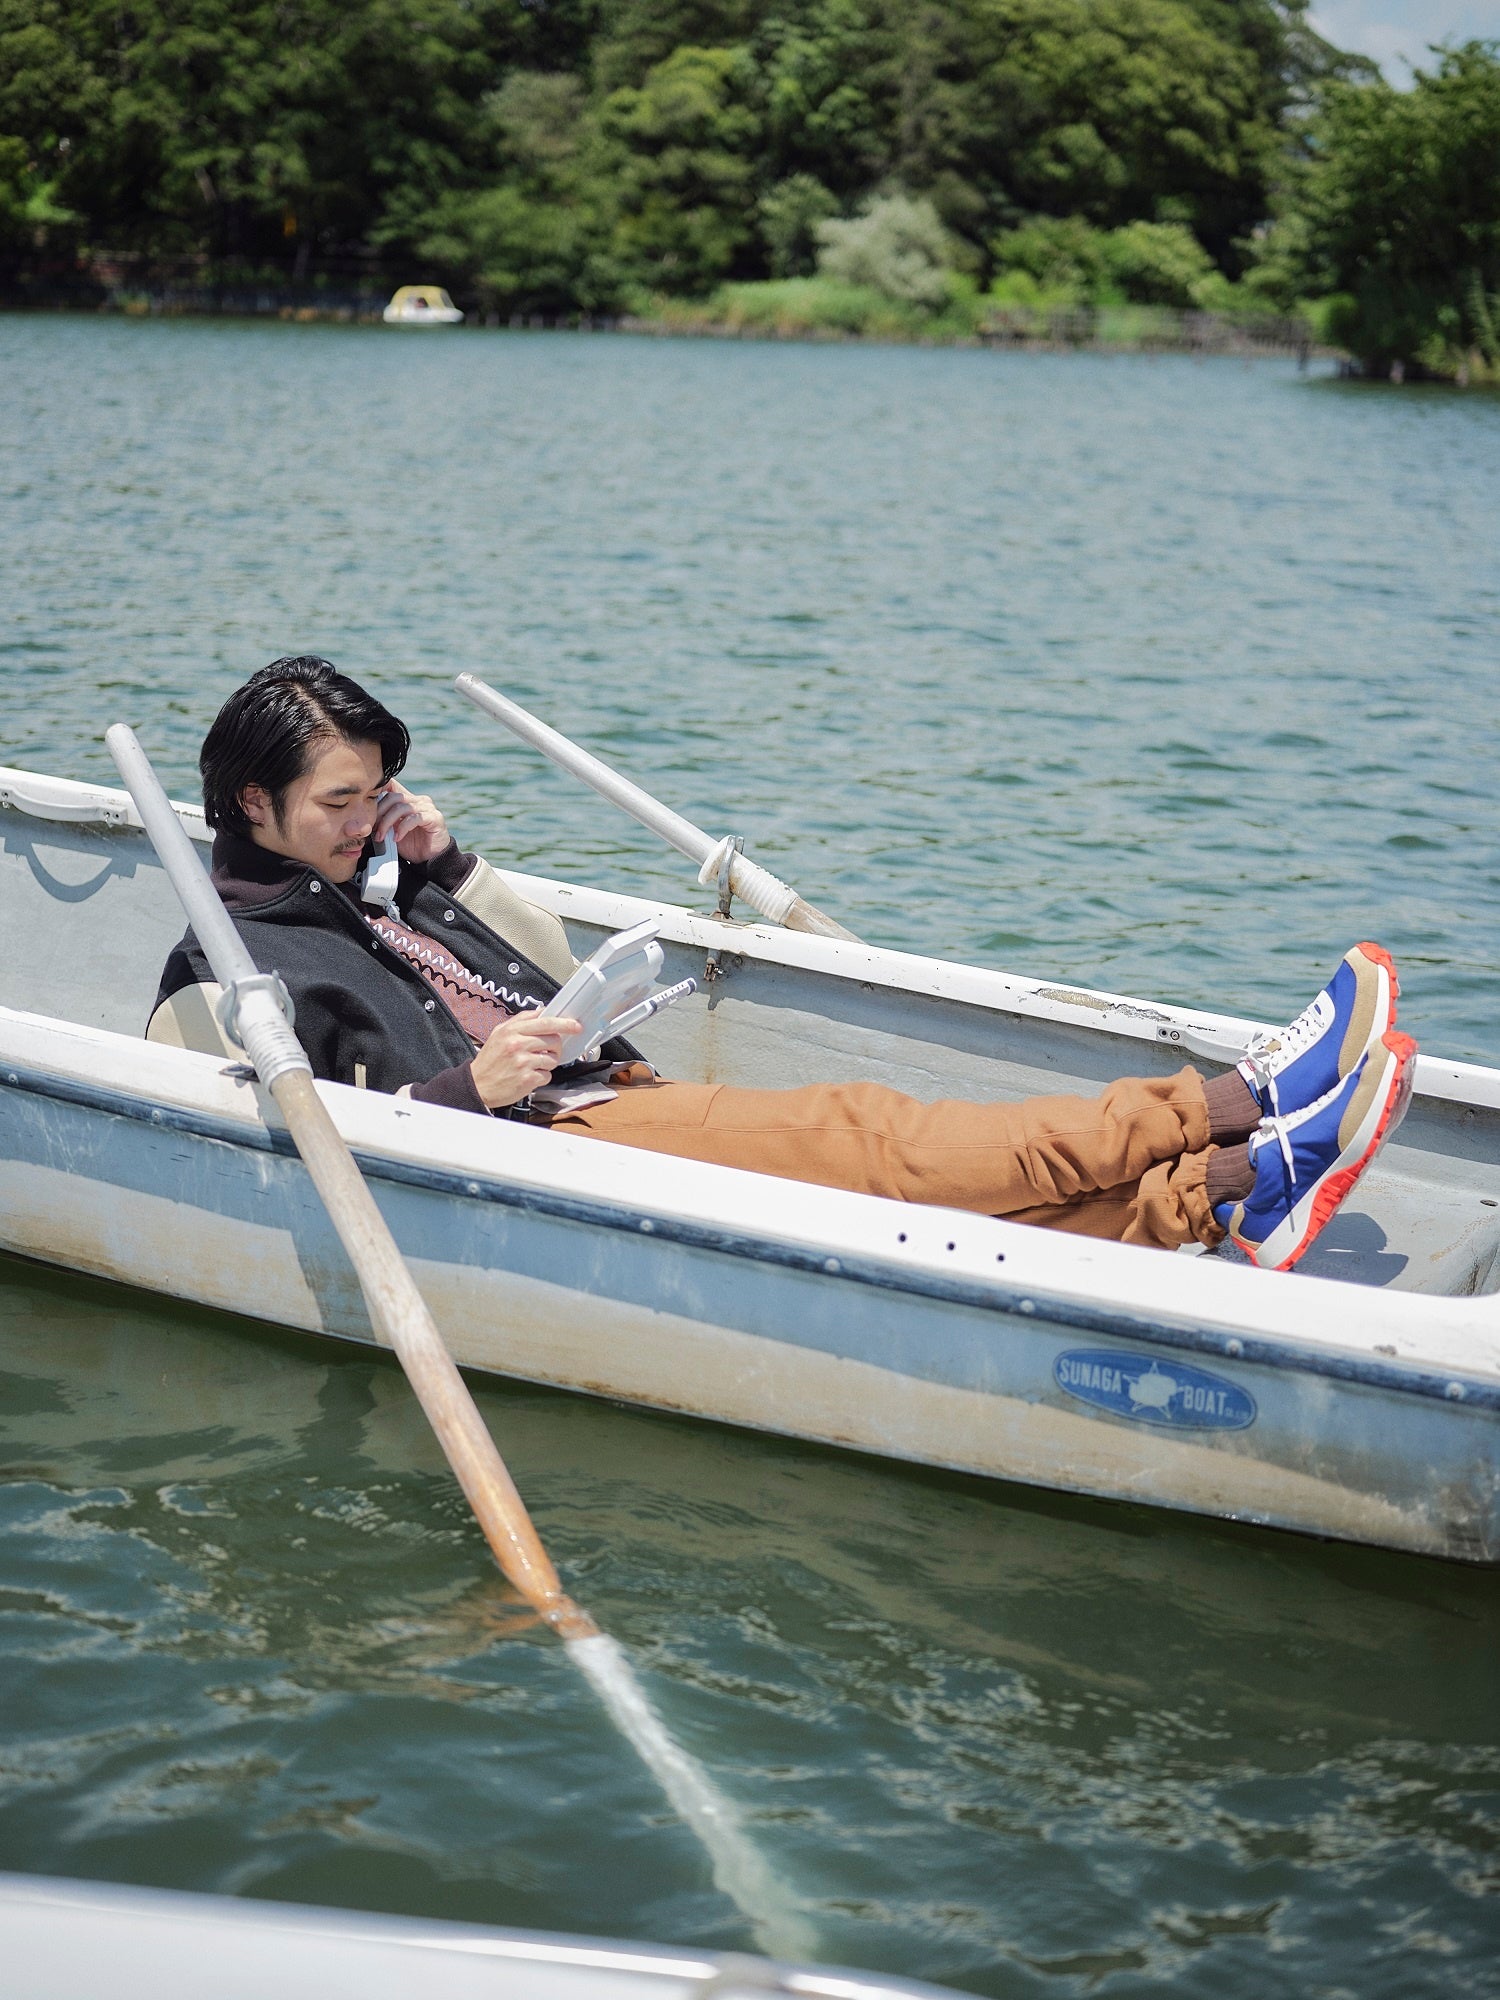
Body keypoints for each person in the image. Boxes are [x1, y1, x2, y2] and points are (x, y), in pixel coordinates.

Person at [149, 658, 1418, 1273]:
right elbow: (251, 1142)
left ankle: (1229, 1193)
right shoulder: (225, 961)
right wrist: (466, 1093)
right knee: (877, 1137)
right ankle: (1231, 1103)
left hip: (608, 1096)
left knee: (909, 1195)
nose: (365, 818)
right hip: (541, 1143)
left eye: (377, 791)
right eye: (340, 799)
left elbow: (545, 973)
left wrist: (451, 866)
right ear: (253, 801)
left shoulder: (383, 880)